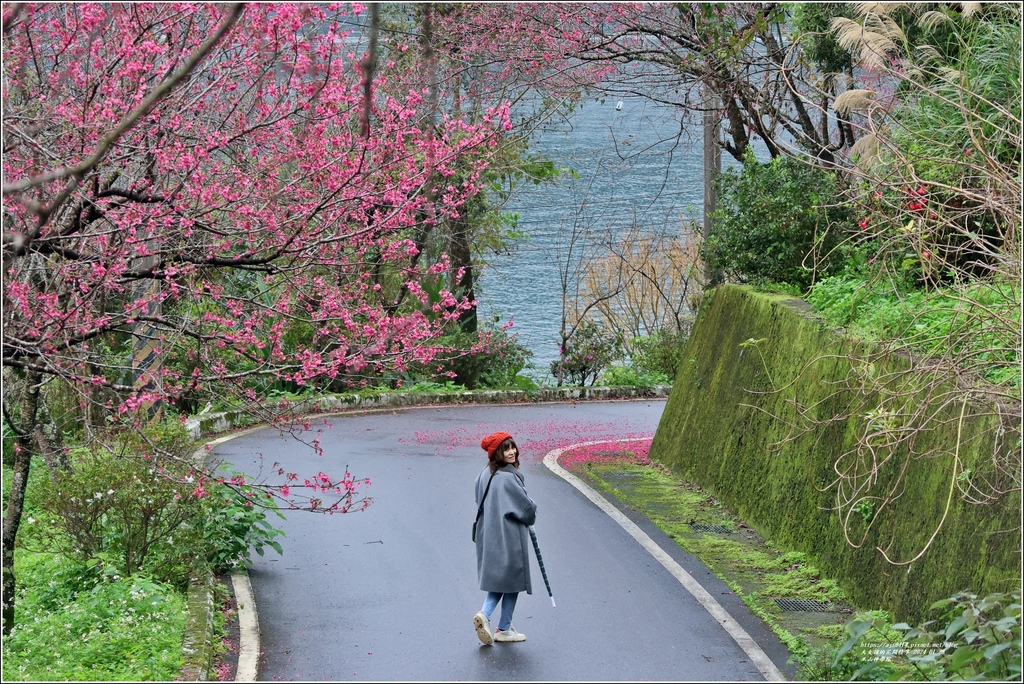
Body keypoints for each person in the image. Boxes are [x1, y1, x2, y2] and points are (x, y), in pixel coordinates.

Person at [472, 431, 537, 645]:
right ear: (496, 453)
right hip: (508, 537)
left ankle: (489, 618)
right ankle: (501, 627)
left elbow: (477, 498)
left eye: (513, 447)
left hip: (488, 535)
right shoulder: (508, 479)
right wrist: (532, 507)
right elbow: (527, 510)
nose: (512, 452)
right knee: (511, 580)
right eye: (506, 449)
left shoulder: (484, 474)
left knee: (500, 580)